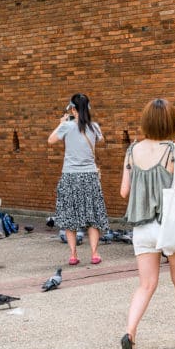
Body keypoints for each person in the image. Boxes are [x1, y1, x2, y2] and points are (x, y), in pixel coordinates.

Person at [119, 98, 175, 349]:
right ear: (171, 122)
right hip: (170, 225)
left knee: (146, 284)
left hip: (142, 228)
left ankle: (130, 332)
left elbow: (124, 192)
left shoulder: (131, 151)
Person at [48, 93, 110, 266]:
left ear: (73, 109)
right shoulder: (95, 127)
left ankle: (73, 255)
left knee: (70, 217)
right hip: (90, 176)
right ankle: (95, 253)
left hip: (70, 176)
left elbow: (51, 140)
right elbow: (101, 140)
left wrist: (61, 123)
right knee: (93, 217)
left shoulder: (66, 126)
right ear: (88, 108)